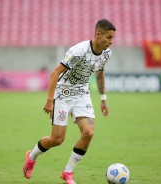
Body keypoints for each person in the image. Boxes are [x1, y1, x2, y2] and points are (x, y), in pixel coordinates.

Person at [23, 19, 116, 184]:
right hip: (63, 93)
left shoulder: (106, 54)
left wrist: (103, 99)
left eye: (112, 38)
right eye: (108, 37)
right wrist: (49, 100)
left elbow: (99, 74)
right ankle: (31, 157)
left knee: (89, 132)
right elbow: (55, 73)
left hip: (81, 93)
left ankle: (68, 172)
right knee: (57, 140)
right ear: (98, 34)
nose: (111, 42)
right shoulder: (79, 50)